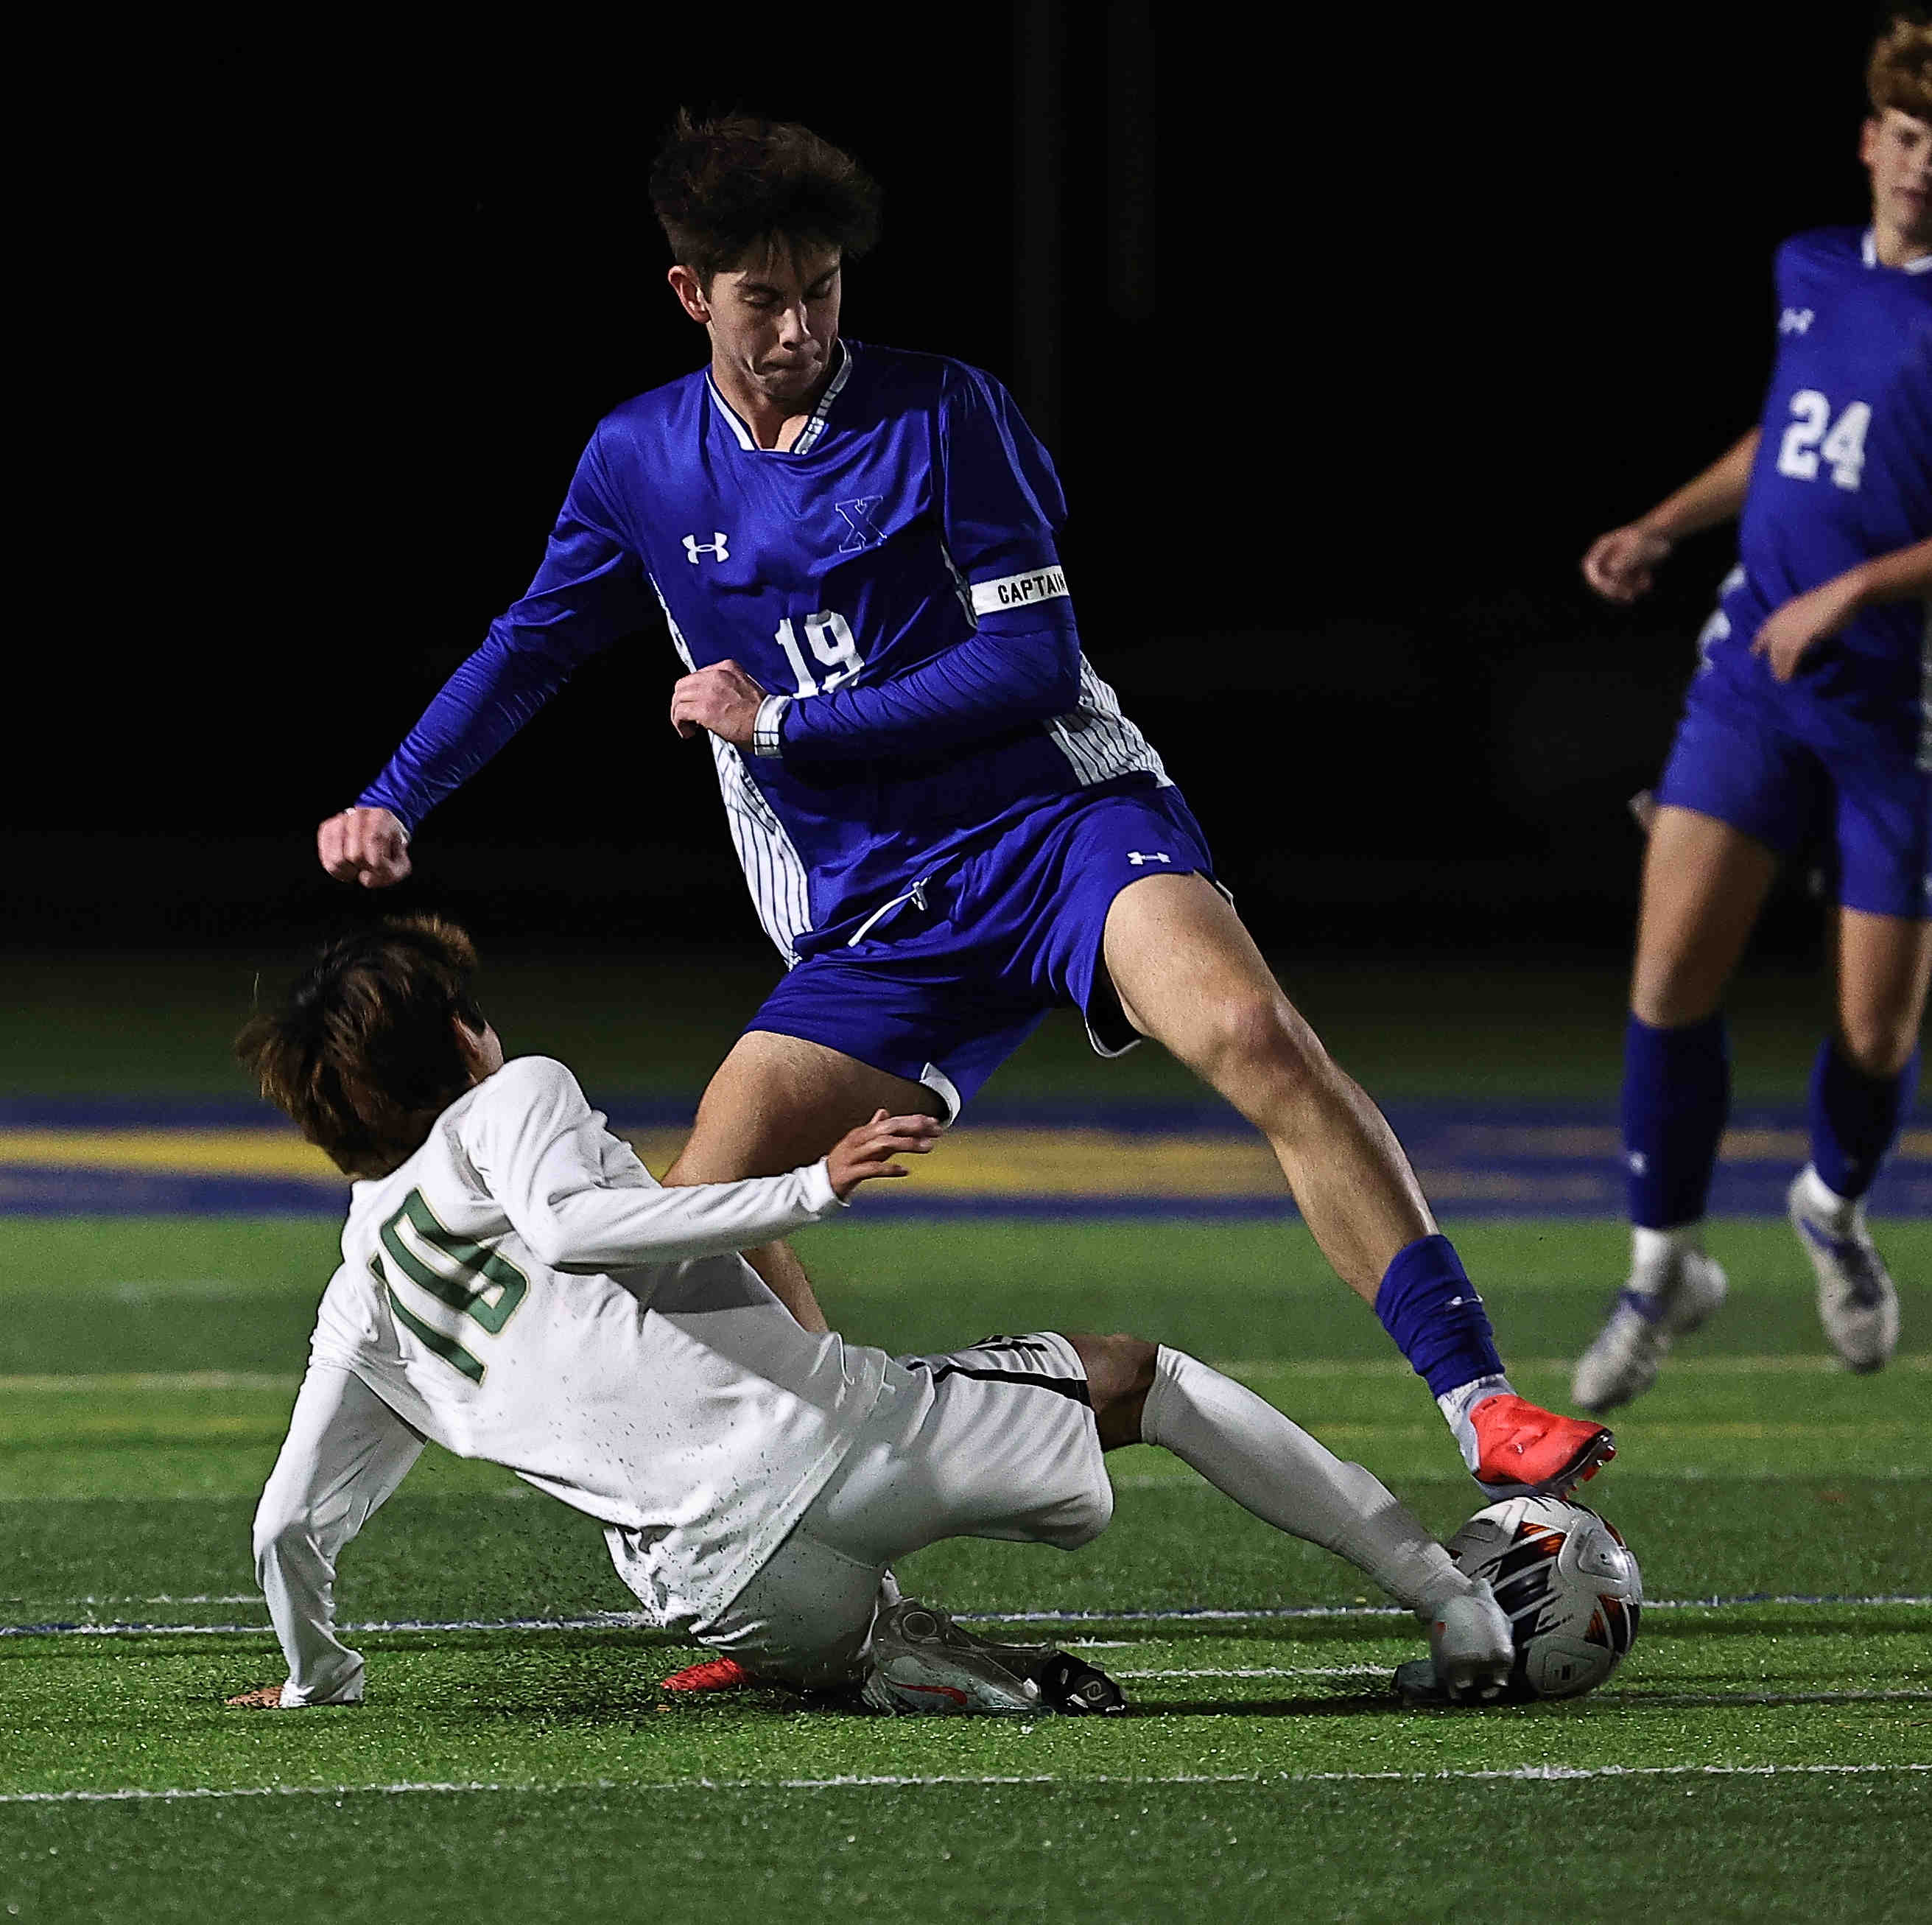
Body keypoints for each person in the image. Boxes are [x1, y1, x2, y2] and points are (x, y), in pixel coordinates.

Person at [313, 111, 1612, 1501]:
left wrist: (787, 720)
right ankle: (813, 1500)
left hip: (1061, 826)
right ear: (692, 295)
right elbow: (532, 644)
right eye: (765, 300)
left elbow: (1030, 662)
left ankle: (1480, 1400)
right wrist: (397, 793)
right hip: (875, 911)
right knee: (691, 1218)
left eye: (821, 290)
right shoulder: (638, 459)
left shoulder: (946, 413)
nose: (801, 325)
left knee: (1251, 1031)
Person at [222, 916, 1516, 1714]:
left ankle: (894, 1657)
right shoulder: (510, 1098)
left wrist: (318, 1679)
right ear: (461, 1032)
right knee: (1143, 1378)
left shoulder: (361, 1291)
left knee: (841, 1618)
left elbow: (289, 1520)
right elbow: (567, 1226)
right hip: (834, 1453)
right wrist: (807, 1182)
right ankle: (1449, 1599)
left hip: (705, 1583)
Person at [1572, 17, 1931, 1414]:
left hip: (1898, 704)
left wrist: (1852, 591)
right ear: (1869, 140)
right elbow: (1785, 435)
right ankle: (1663, 1264)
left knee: (1879, 1034)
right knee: (1669, 980)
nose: (1920, 167)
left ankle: (1832, 1213)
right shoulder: (1811, 271)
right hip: (1756, 680)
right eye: (1905, 139)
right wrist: (1664, 522)